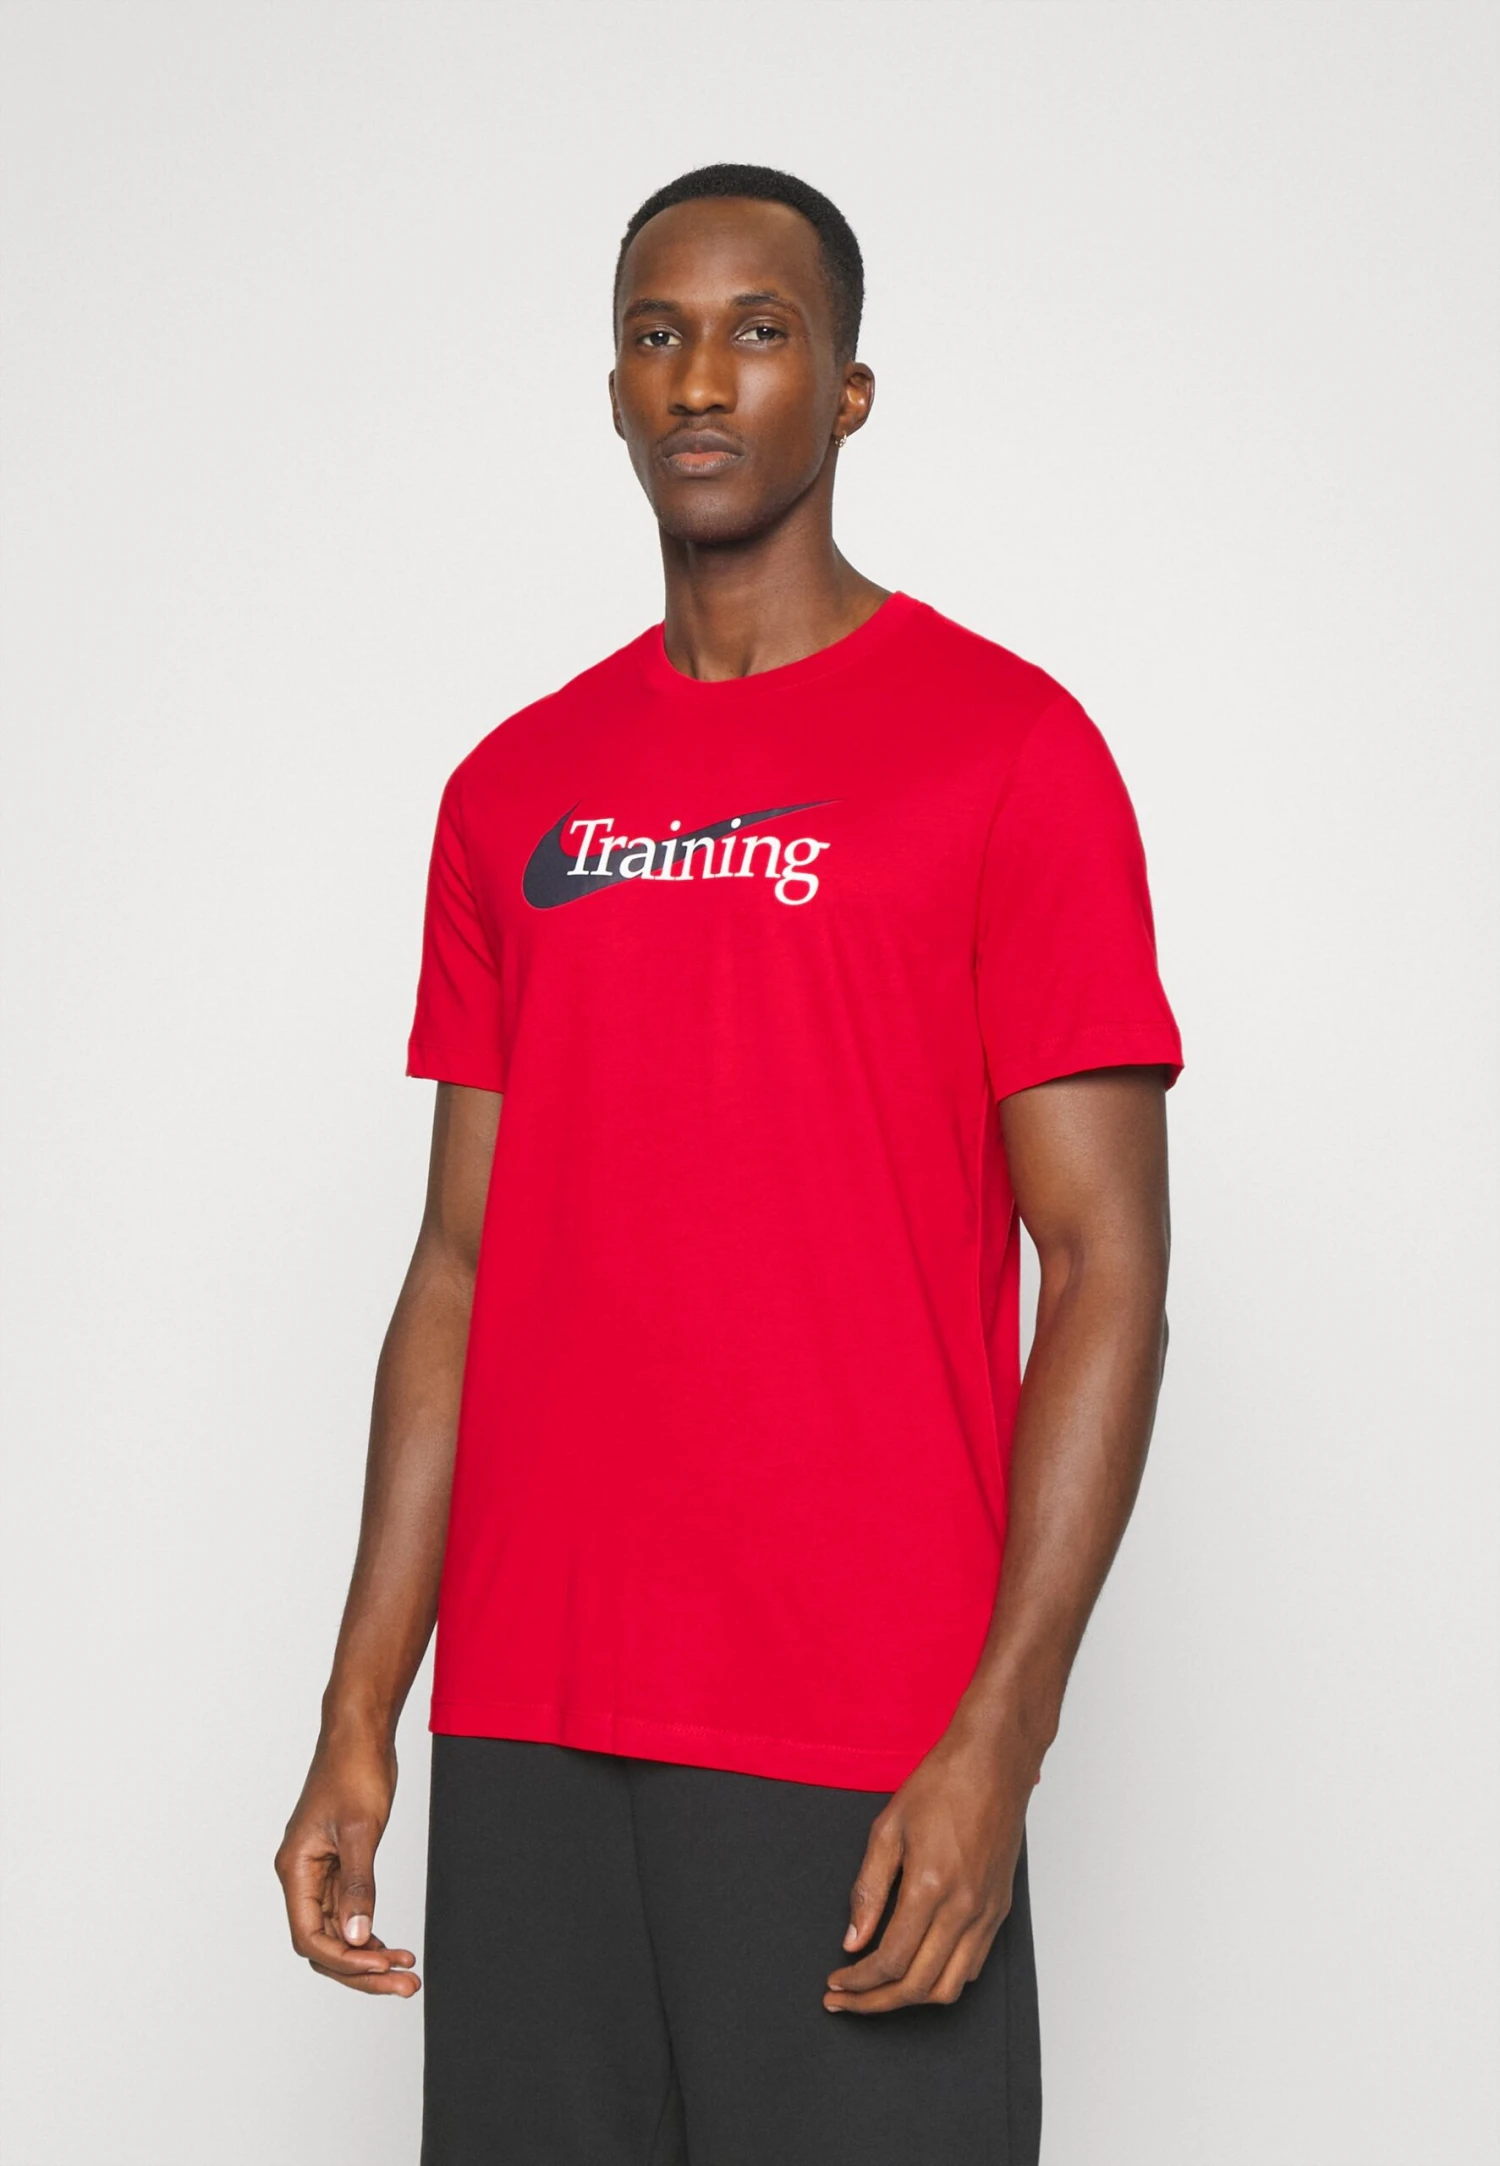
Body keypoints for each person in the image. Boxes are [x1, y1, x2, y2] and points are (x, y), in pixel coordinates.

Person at [275, 162, 1183, 2166]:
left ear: (848, 389)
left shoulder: (1010, 752)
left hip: (859, 1737)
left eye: (760, 332)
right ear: (612, 385)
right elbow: (456, 1266)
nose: (702, 378)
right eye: (657, 333)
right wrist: (360, 1708)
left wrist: (1002, 1735)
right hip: (528, 1730)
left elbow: (1107, 1266)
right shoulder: (513, 791)